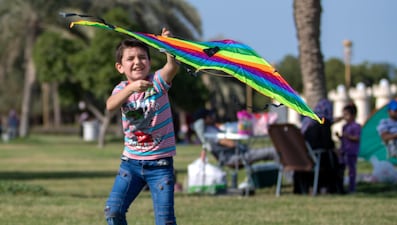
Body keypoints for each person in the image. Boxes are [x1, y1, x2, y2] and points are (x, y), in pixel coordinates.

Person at [104, 27, 179, 225]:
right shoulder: (121, 89)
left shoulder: (157, 82)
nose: (137, 62)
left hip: (160, 165)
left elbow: (172, 68)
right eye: (131, 59)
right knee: (113, 212)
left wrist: (169, 48)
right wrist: (130, 88)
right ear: (120, 67)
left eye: (142, 57)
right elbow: (110, 105)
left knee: (165, 221)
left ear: (150, 62)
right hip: (130, 164)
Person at [192, 109, 277, 169]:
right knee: (274, 151)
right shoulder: (210, 132)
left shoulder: (210, 129)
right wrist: (240, 145)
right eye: (210, 116)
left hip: (235, 155)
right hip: (234, 157)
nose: (213, 117)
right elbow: (226, 142)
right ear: (205, 119)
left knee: (273, 151)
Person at [295, 99, 344, 194]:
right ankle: (332, 188)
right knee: (335, 160)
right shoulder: (323, 123)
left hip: (303, 157)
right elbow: (328, 144)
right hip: (317, 159)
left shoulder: (307, 122)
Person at [335, 103, 361, 193]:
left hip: (352, 152)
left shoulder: (356, 126)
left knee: (351, 171)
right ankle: (340, 187)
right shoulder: (344, 126)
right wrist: (340, 137)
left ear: (353, 115)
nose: (344, 117)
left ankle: (352, 188)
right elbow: (344, 139)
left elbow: (357, 138)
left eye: (346, 115)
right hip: (344, 151)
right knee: (341, 169)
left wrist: (348, 136)